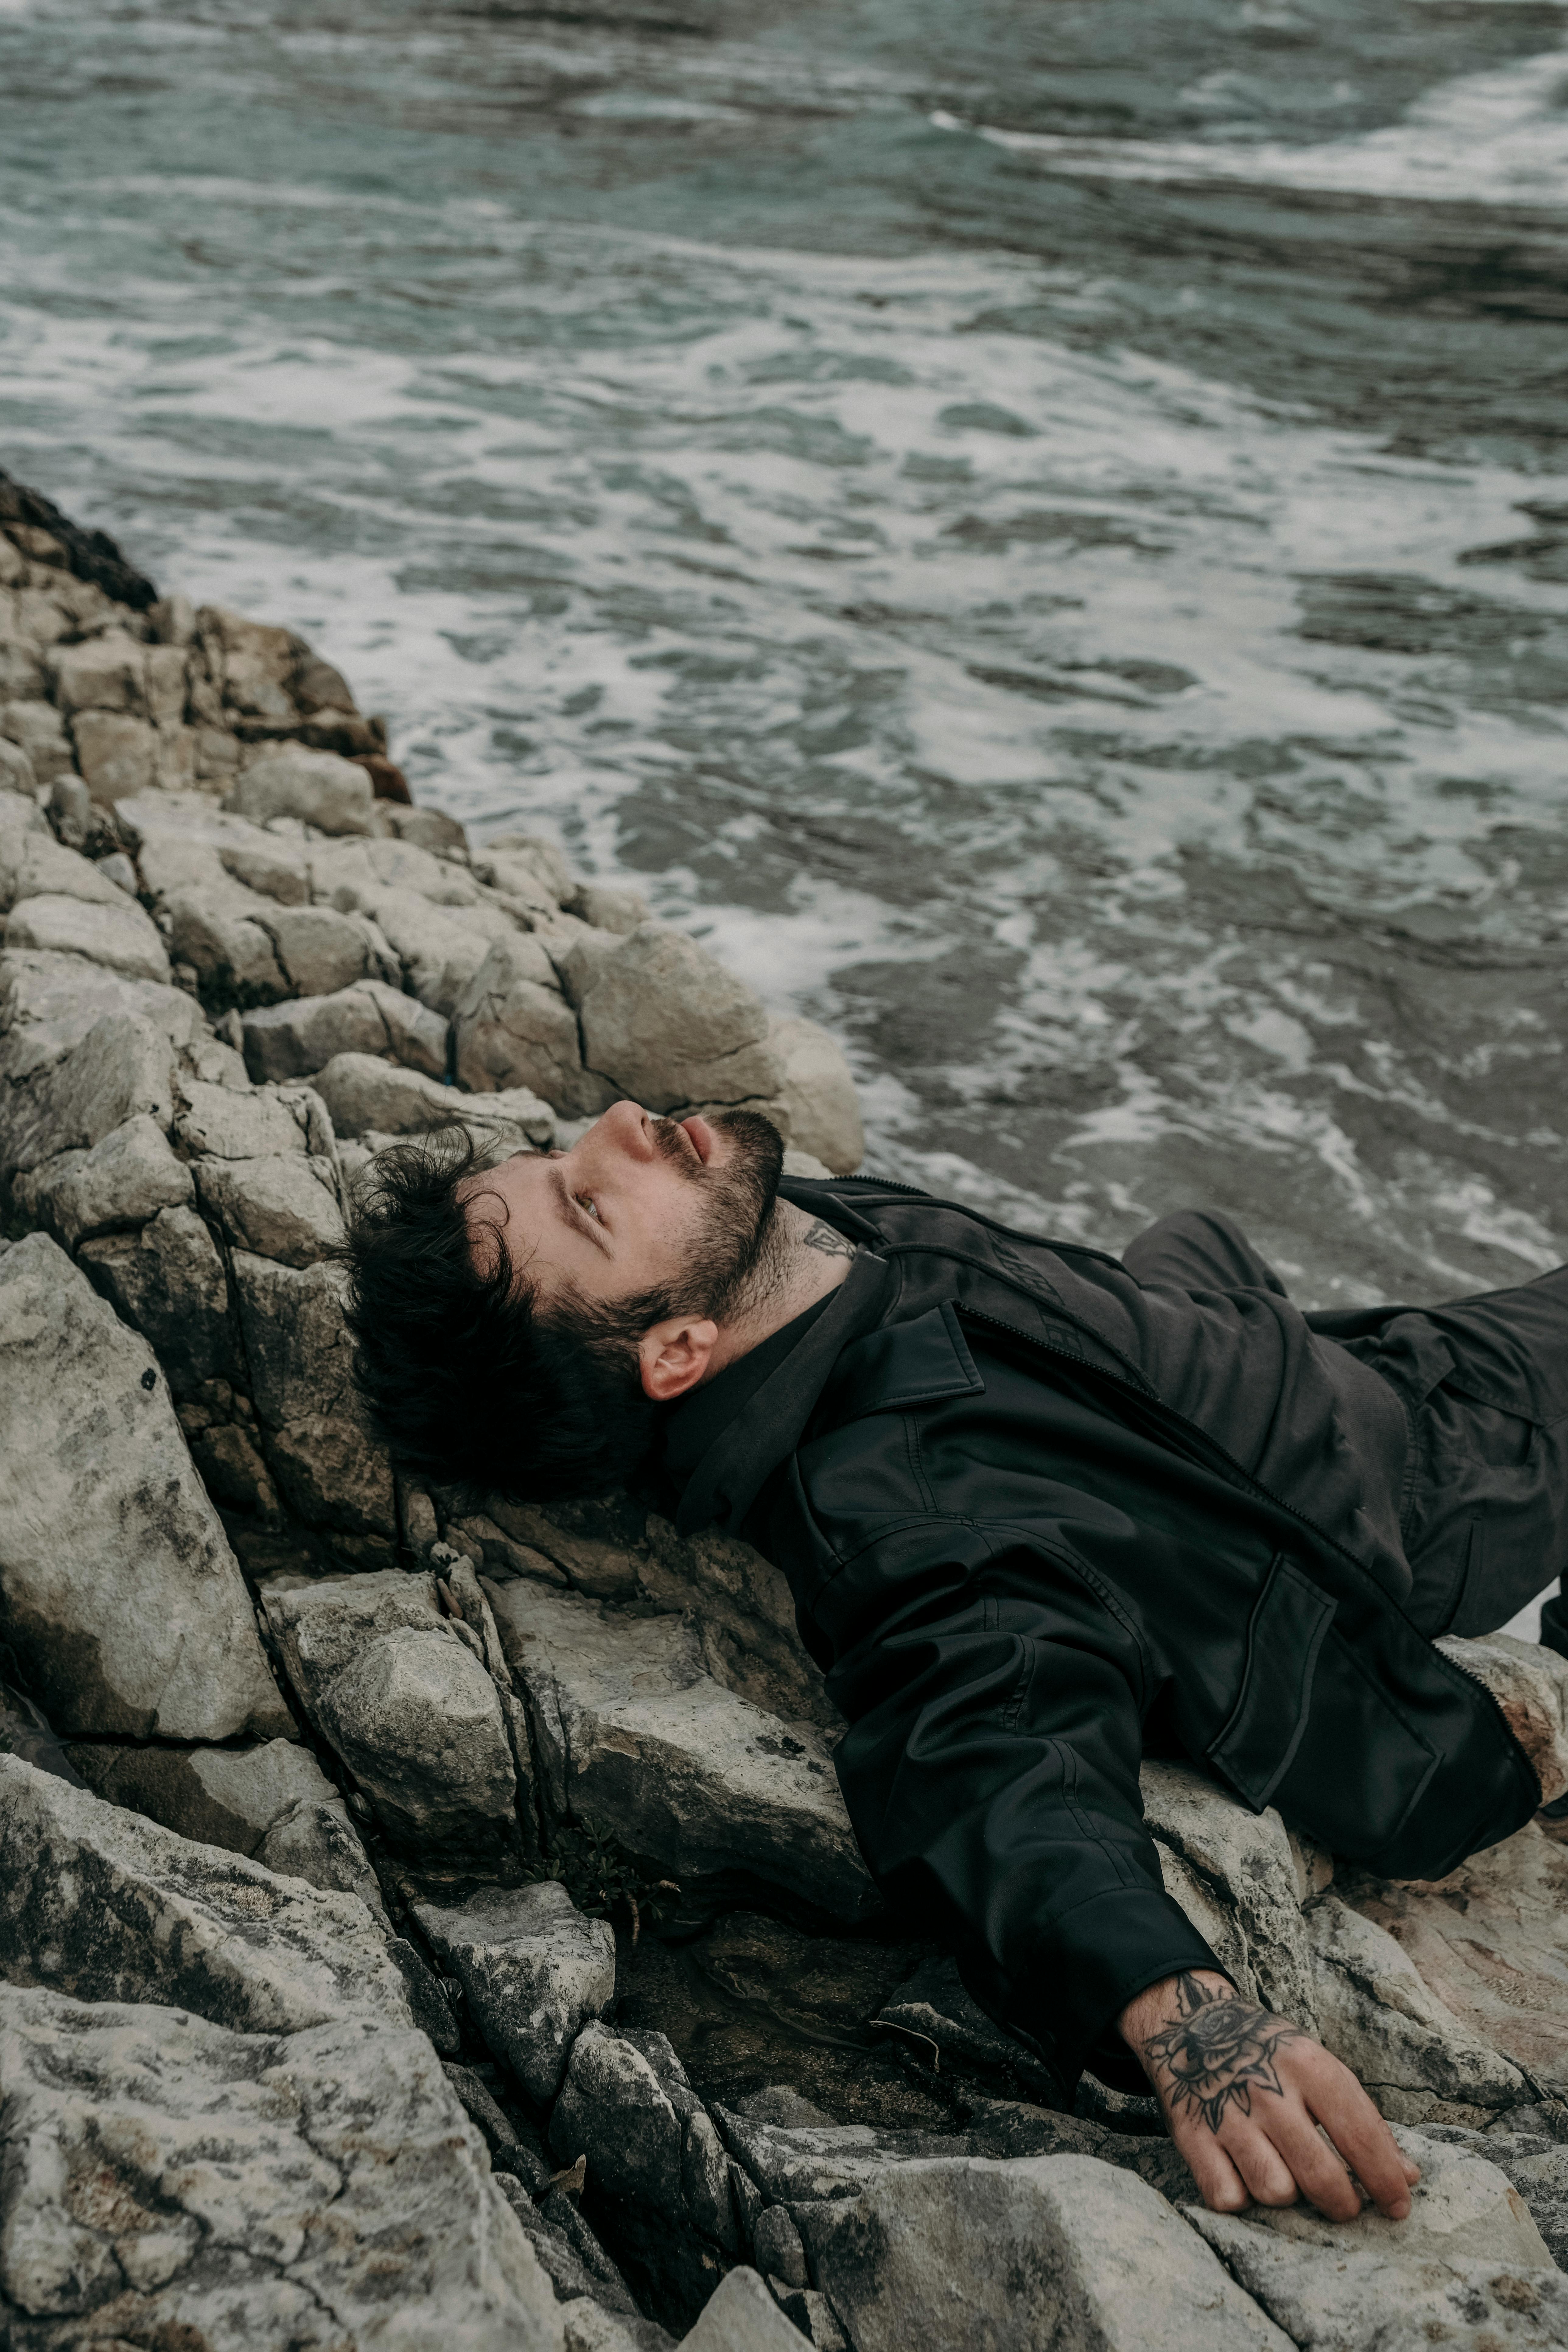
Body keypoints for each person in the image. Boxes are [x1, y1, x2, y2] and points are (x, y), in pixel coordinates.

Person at [343, 1100, 1568, 2223]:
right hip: (1413, 1469)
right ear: (676, 1354)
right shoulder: (920, 1507)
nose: (614, 1125)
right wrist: (1174, 2008)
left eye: (564, 1163)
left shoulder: (765, 1263)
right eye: (592, 1206)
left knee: (1194, 1229)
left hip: (1231, 1356)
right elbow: (989, 1747)